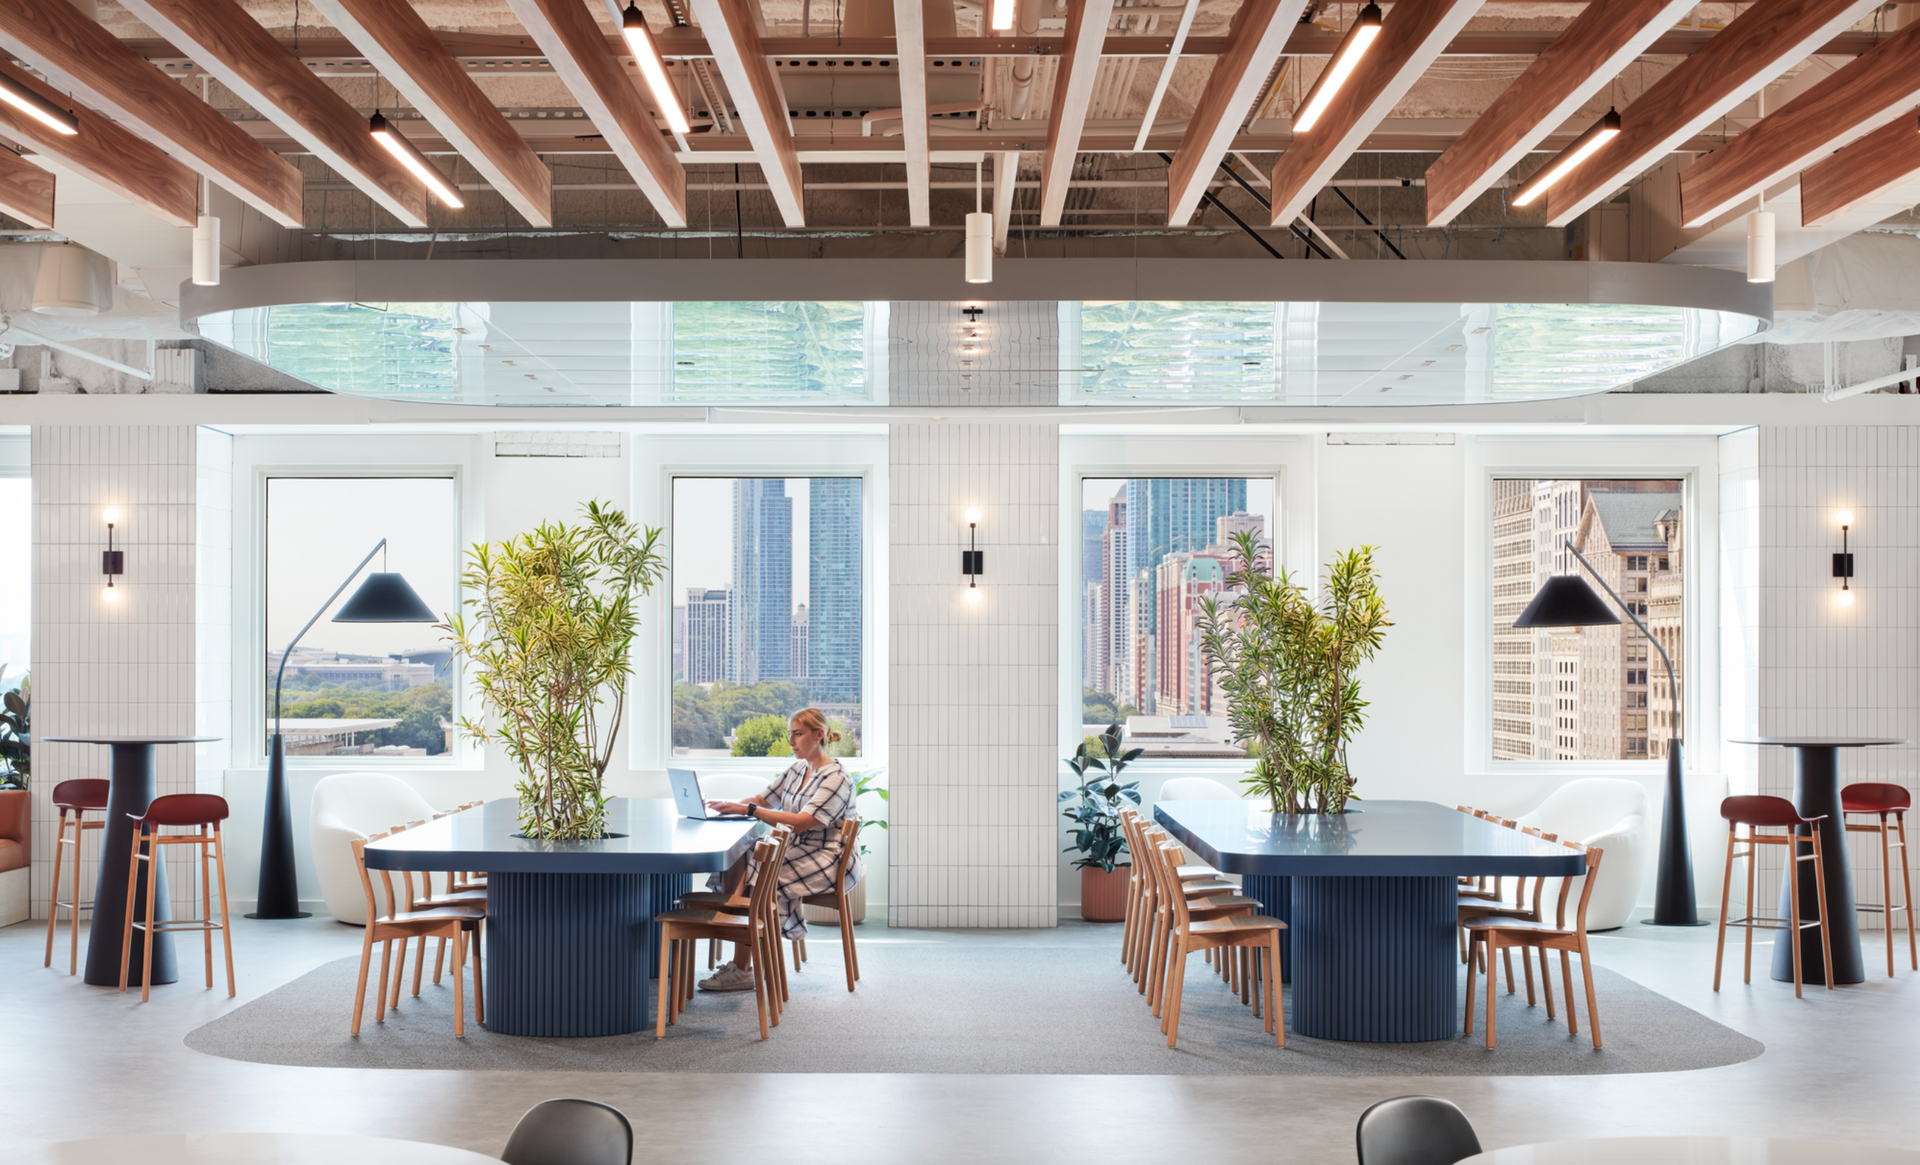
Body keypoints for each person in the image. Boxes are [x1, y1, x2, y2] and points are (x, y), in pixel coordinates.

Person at [699, 706, 863, 992]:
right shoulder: (798, 768)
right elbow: (763, 800)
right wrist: (727, 806)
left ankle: (741, 963)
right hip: (800, 852)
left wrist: (749, 809)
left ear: (819, 734)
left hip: (830, 859)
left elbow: (801, 823)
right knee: (745, 856)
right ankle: (740, 940)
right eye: (790, 735)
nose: (791, 742)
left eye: (798, 735)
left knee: (760, 869)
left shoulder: (837, 777)